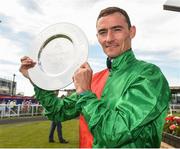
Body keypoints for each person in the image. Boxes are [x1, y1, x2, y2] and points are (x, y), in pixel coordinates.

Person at [19, 7, 171, 148]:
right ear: (97, 37)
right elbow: (58, 111)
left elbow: (115, 133)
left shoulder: (149, 75)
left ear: (131, 32)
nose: (109, 38)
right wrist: (37, 79)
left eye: (117, 30)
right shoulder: (94, 78)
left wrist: (85, 93)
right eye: (103, 32)